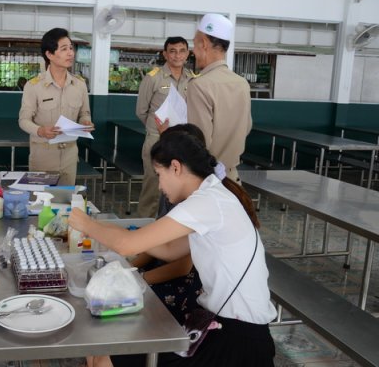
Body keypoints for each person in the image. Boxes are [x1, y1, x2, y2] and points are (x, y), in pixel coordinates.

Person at [69, 124, 276, 367]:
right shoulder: (212, 195)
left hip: (238, 340)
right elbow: (169, 251)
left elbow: (127, 246)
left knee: (105, 359)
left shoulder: (206, 202)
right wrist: (101, 226)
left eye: (160, 175)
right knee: (101, 351)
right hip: (223, 325)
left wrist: (84, 222)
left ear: (176, 167)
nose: (159, 186)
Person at [18, 27, 94, 186]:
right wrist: (40, 130)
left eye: (71, 48)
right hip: (42, 157)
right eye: (64, 49)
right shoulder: (34, 86)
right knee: (40, 205)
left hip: (70, 157)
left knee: (65, 204)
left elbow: (84, 113)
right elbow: (24, 120)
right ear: (49, 54)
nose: (70, 53)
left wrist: (86, 122)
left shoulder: (79, 85)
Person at [187, 13, 252, 182]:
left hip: (206, 178)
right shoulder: (242, 83)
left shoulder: (200, 85)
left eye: (194, 44)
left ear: (204, 44)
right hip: (231, 178)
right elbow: (247, 127)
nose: (193, 51)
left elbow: (198, 143)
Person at [136, 36, 194, 218]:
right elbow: (141, 111)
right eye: (172, 51)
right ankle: (145, 226)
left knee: (180, 188)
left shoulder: (193, 80)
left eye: (182, 51)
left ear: (188, 54)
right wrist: (157, 131)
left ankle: (171, 229)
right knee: (153, 187)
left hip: (183, 142)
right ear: (165, 54)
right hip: (157, 141)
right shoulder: (153, 78)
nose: (177, 55)